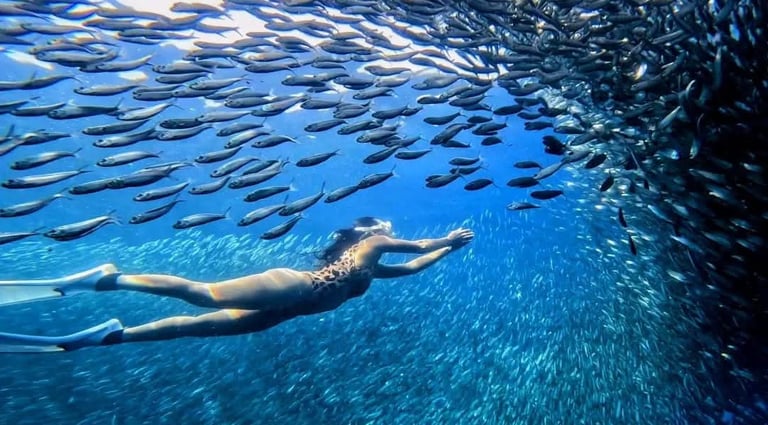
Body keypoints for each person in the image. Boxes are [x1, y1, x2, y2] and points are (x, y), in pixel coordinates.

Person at [0, 217, 474, 352]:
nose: (389, 231)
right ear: (370, 232)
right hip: (293, 288)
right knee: (204, 292)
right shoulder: (371, 246)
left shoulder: (368, 270)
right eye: (384, 227)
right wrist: (445, 238)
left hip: (285, 311)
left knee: (192, 325)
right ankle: (108, 277)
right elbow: (410, 248)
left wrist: (449, 251)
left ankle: (110, 336)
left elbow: (413, 268)